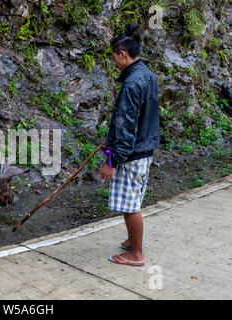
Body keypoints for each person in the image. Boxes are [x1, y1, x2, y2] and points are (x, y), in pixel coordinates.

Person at [100, 24, 160, 266]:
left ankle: (136, 254)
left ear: (122, 54)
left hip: (133, 153)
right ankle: (131, 241)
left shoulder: (132, 83)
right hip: (145, 148)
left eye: (114, 56)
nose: (114, 61)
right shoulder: (147, 75)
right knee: (132, 200)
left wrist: (112, 160)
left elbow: (126, 128)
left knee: (130, 205)